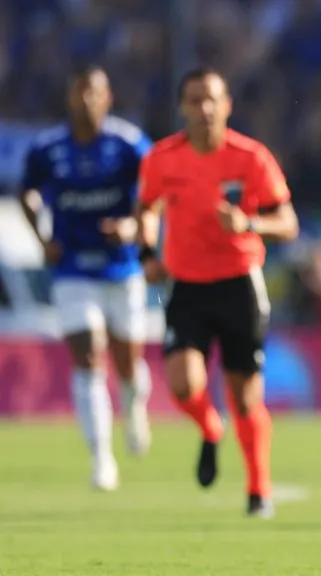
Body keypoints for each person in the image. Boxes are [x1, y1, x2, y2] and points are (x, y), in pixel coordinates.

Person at [136, 68, 299, 517]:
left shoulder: (250, 158)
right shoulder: (162, 158)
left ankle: (258, 488)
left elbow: (287, 223)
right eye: (193, 100)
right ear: (182, 107)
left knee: (245, 394)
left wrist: (249, 223)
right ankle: (210, 427)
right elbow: (146, 209)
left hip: (238, 283)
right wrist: (147, 253)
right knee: (182, 384)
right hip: (186, 284)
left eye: (211, 99)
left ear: (226, 104)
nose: (203, 108)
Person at [19, 65, 153, 491]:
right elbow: (27, 191)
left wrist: (136, 228)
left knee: (127, 362)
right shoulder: (47, 148)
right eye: (79, 93)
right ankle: (101, 458)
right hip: (73, 268)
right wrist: (42, 238)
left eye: (94, 93)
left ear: (107, 98)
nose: (86, 100)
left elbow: (155, 191)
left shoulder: (128, 143)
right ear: (69, 99)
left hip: (120, 266)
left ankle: (134, 408)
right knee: (88, 356)